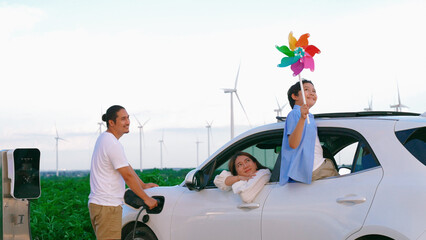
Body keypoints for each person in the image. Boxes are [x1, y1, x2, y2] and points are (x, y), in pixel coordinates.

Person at [88, 105, 158, 240]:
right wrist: (146, 198)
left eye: (128, 118)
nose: (128, 122)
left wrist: (142, 185)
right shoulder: (112, 143)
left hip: (100, 205)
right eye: (123, 119)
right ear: (111, 122)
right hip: (107, 206)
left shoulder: (105, 139)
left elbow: (126, 166)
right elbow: (127, 176)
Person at [279, 80, 339, 185]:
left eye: (314, 91)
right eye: (306, 89)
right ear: (294, 96)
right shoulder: (295, 114)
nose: (312, 93)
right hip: (314, 167)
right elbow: (293, 143)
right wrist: (302, 118)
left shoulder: (309, 117)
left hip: (315, 167)